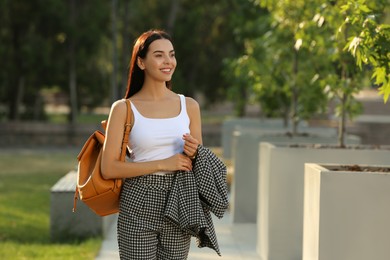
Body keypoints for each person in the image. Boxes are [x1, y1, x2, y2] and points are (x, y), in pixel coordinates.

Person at [101, 29, 202, 259]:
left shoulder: (190, 106)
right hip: (138, 200)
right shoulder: (123, 108)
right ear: (141, 62)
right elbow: (109, 168)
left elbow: (196, 163)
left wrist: (195, 153)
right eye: (159, 55)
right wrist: (163, 163)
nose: (168, 61)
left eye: (172, 54)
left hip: (179, 200)